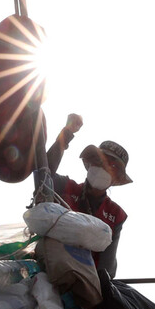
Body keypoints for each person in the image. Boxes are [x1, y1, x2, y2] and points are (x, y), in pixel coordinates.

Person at [45, 114, 132, 278]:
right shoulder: (66, 187)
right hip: (49, 268)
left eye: (111, 167)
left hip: (85, 283)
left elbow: (107, 268)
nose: (102, 168)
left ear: (115, 179)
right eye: (99, 162)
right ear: (89, 163)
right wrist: (67, 133)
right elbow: (44, 174)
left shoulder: (116, 215)